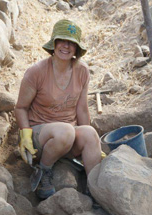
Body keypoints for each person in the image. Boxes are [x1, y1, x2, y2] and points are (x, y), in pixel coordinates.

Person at [14, 19, 102, 199]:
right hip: (40, 137)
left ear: (77, 49)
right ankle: (43, 171)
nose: (66, 46)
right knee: (65, 132)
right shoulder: (36, 72)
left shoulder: (82, 71)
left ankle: (94, 191)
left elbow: (82, 109)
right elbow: (21, 107)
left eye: (71, 43)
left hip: (68, 134)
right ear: (53, 43)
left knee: (90, 134)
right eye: (62, 40)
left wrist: (92, 145)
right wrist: (25, 135)